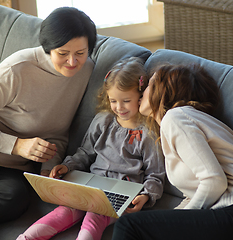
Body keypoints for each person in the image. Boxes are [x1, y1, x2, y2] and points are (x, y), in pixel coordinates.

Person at [0, 7, 97, 240]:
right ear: (48, 47)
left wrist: (47, 168)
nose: (72, 61)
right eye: (63, 53)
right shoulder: (18, 69)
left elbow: (57, 132)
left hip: (6, 165)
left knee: (15, 200)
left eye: (80, 53)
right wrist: (17, 146)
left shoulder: (85, 71)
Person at [112, 64, 233, 240]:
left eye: (149, 84)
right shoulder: (185, 120)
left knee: (128, 225)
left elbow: (214, 181)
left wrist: (176, 222)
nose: (143, 92)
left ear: (164, 91)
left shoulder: (176, 117)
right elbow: (196, 196)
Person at [16, 57, 165, 240]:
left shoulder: (148, 133)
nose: (119, 108)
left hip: (120, 192)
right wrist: (68, 166)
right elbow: (85, 153)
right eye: (113, 101)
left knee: (94, 218)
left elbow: (156, 174)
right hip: (90, 185)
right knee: (62, 213)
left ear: (141, 96)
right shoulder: (103, 121)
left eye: (126, 100)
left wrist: (146, 196)